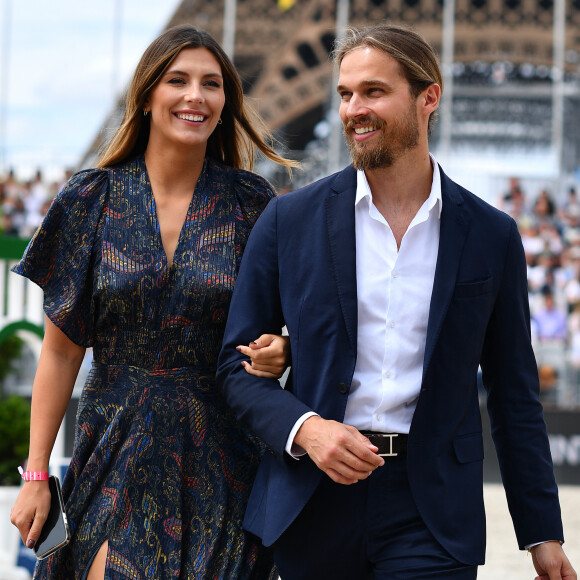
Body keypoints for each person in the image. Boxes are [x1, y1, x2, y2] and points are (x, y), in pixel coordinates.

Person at [217, 23, 576, 580]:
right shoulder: (288, 221)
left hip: (429, 509)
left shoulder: (491, 234)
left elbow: (514, 394)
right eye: (344, 94)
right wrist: (307, 428)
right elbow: (233, 368)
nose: (353, 109)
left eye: (374, 92)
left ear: (428, 96)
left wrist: (542, 532)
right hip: (313, 495)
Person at [10, 24, 297, 580]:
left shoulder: (252, 204)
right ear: (145, 96)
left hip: (223, 453)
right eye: (178, 80)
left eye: (211, 84)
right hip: (114, 446)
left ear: (225, 102)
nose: (196, 96)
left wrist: (283, 349)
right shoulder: (90, 199)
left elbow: (289, 324)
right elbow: (61, 352)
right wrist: (37, 475)